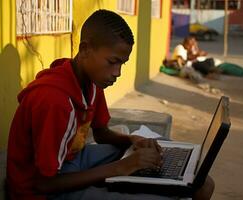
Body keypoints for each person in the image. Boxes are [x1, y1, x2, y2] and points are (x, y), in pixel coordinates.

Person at [7, 10, 214, 200]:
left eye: (121, 64)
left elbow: (101, 133)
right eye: (112, 61)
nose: (117, 72)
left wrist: (132, 139)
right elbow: (44, 184)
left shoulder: (91, 81)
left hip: (73, 160)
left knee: (195, 177)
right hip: (41, 190)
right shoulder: (55, 101)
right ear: (85, 49)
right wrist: (120, 168)